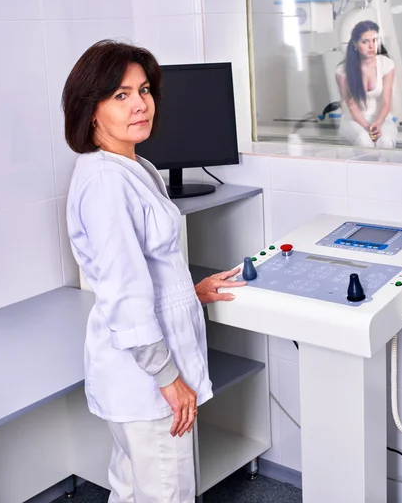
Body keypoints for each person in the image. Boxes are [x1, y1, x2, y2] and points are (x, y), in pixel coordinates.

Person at [63, 39, 246, 503]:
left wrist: (191, 291)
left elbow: (149, 264)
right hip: (144, 382)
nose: (140, 104)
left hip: (137, 376)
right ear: (91, 110)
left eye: (143, 90)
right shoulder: (106, 183)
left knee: (131, 490)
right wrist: (169, 379)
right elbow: (125, 294)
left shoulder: (133, 164)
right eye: (120, 95)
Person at [335, 20, 398, 148]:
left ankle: (385, 167)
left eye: (374, 40)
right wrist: (367, 127)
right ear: (355, 44)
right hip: (353, 120)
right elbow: (351, 106)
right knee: (364, 141)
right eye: (365, 42)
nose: (371, 46)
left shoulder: (386, 64)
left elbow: (386, 101)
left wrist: (378, 124)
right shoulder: (342, 70)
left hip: (382, 118)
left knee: (385, 142)